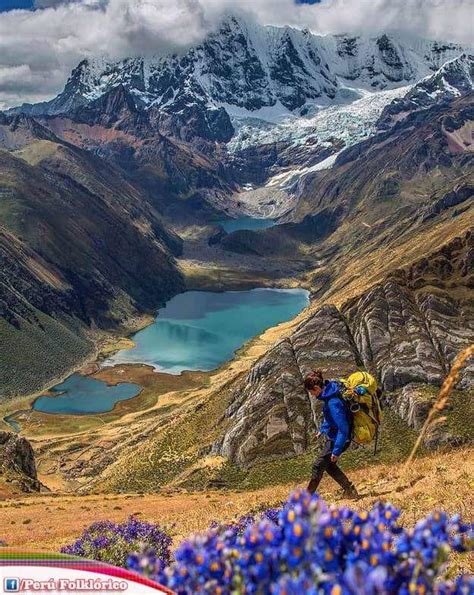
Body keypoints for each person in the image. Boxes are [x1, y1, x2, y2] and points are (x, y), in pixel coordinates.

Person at [304, 370, 359, 498]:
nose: (312, 395)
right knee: (329, 466)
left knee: (318, 466)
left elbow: (343, 428)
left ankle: (305, 501)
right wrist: (322, 430)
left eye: (311, 392)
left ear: (317, 388)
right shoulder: (330, 396)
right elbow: (330, 419)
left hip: (338, 439)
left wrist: (336, 450)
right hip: (335, 437)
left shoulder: (333, 402)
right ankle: (350, 490)